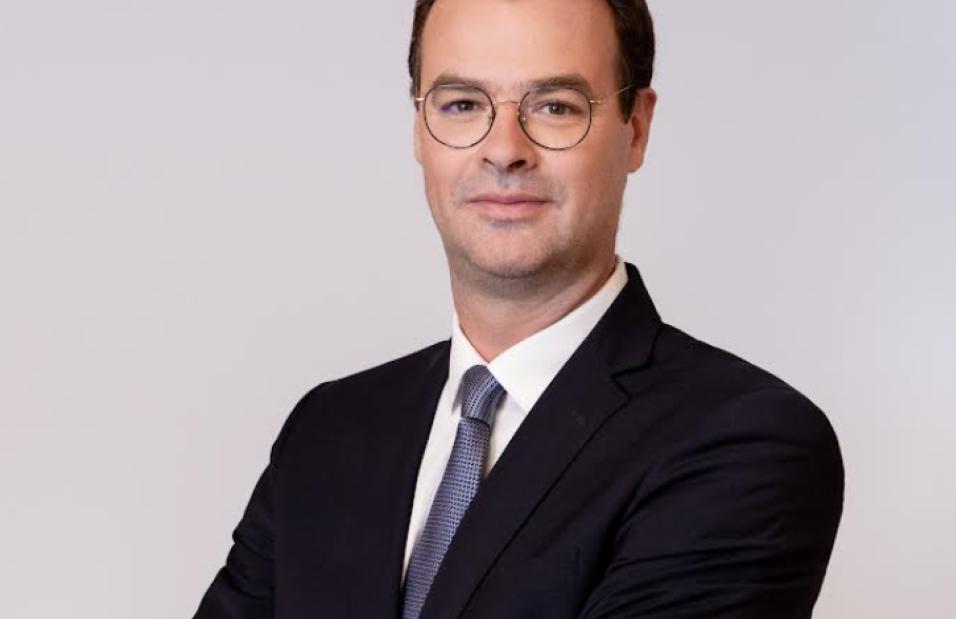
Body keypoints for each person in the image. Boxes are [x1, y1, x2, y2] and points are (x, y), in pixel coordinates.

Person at [194, 0, 844, 617]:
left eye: (556, 106)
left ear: (637, 129)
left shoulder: (743, 441)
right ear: (420, 129)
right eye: (461, 104)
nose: (504, 148)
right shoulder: (327, 432)